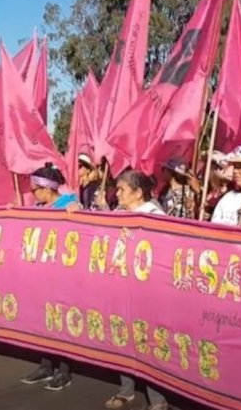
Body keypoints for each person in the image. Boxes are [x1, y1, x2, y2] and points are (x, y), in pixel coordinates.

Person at [104, 170, 168, 410]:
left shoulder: (155, 215)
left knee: (147, 342)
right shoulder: (118, 213)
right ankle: (126, 391)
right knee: (123, 339)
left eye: (121, 189)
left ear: (138, 193)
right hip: (121, 287)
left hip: (146, 291)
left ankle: (158, 399)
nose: (117, 194)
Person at [21, 163, 76, 391]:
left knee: (59, 322)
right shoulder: (38, 207)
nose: (32, 194)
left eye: (34, 190)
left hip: (61, 275)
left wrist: (76, 211)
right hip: (41, 273)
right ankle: (45, 365)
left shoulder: (69, 205)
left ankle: (64, 370)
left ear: (46, 189)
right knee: (42, 320)